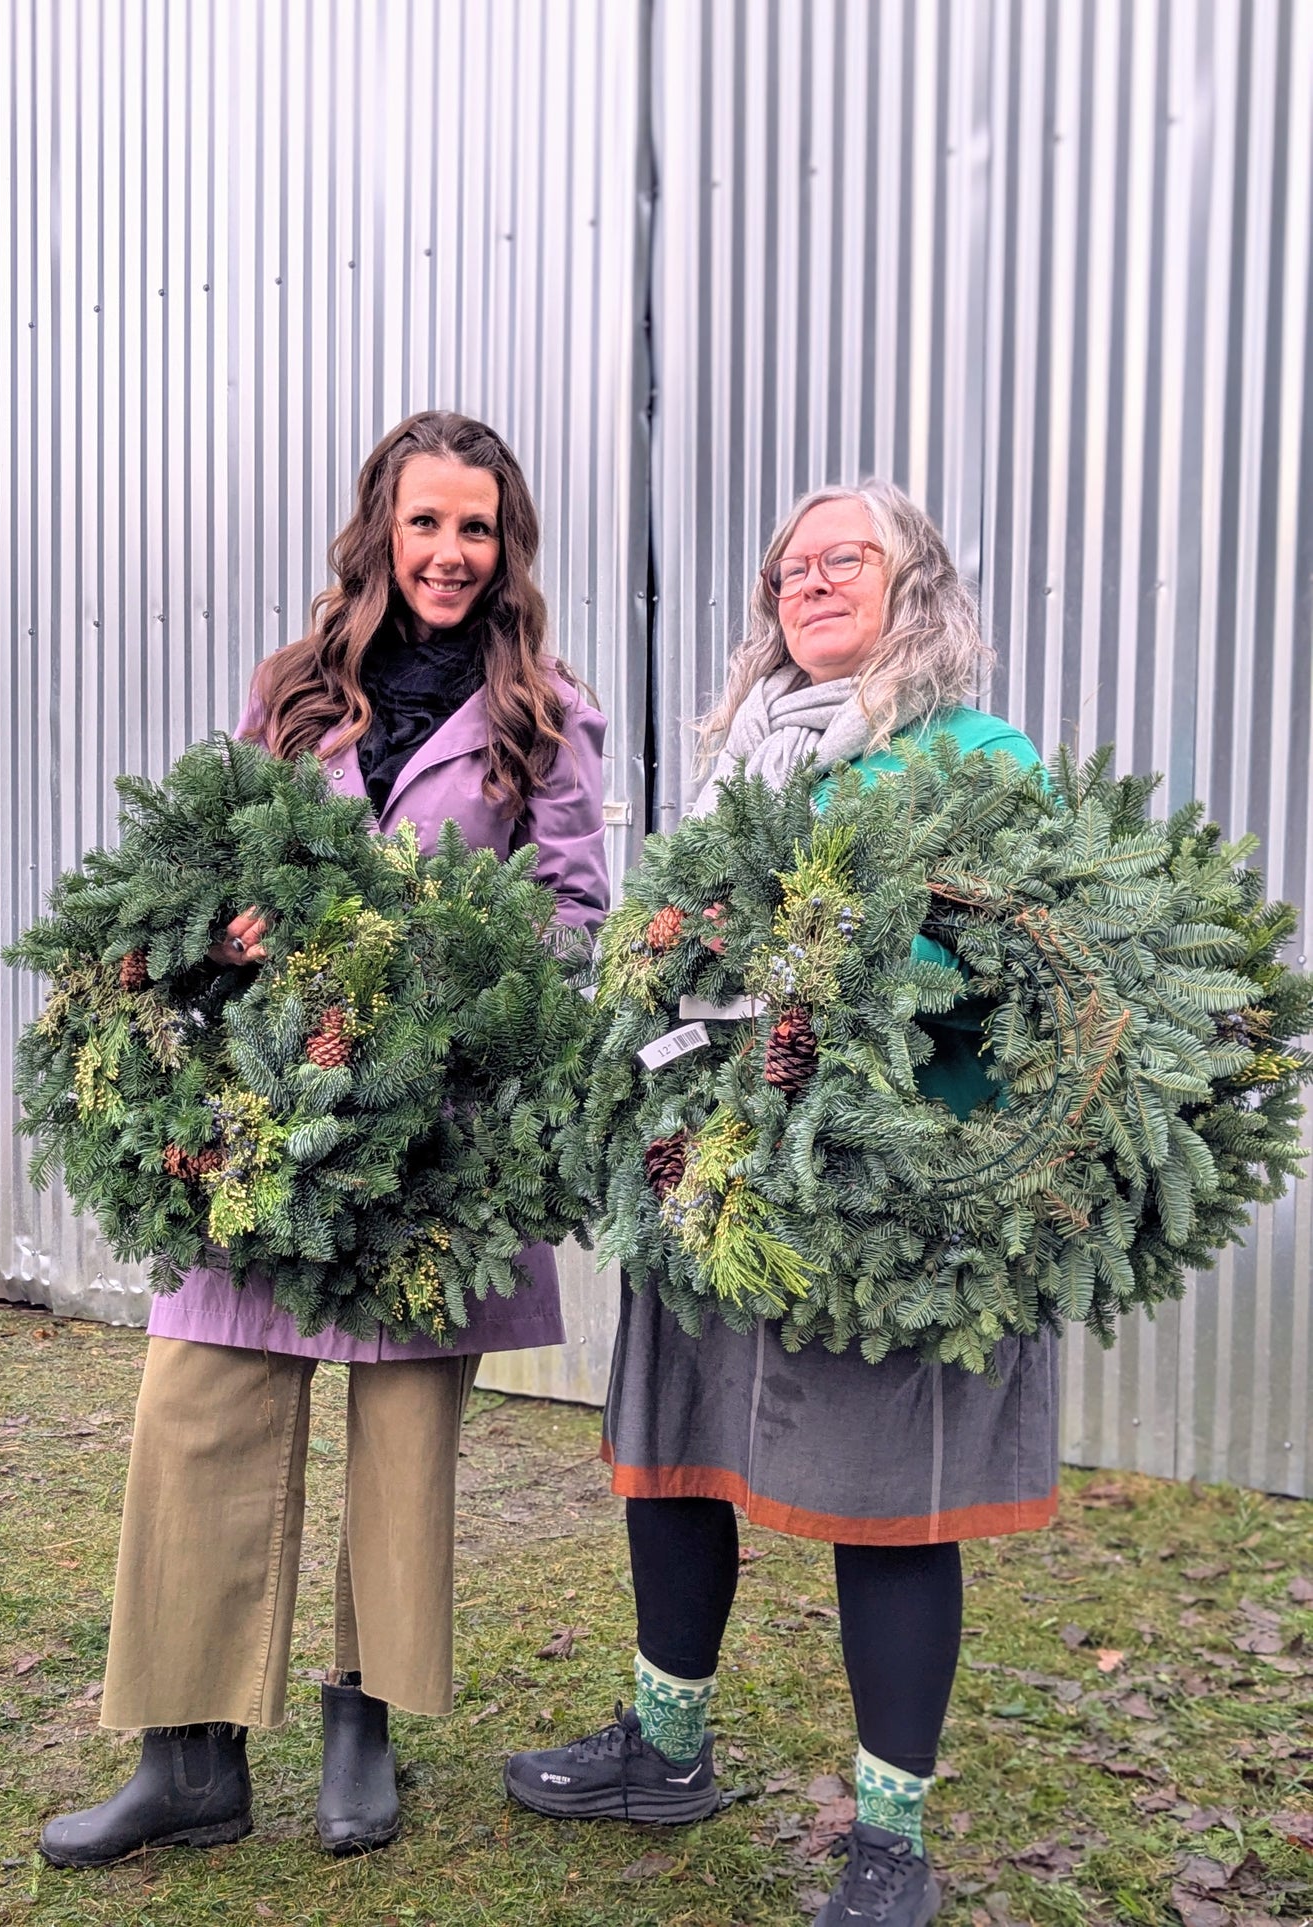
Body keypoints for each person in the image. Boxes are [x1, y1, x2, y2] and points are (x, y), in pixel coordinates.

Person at [41, 411, 609, 1869]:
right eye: (424, 523)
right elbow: (220, 858)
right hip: (261, 1125)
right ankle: (188, 1754)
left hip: (435, 1137)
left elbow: (575, 919)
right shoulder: (292, 695)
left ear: (506, 545)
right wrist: (228, 936)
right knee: (199, 1408)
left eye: (475, 527)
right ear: (378, 530)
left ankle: (363, 1718)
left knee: (404, 1435)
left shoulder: (544, 710)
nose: (448, 552)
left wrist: (457, 995)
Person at [504, 480, 1054, 1927]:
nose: (806, 585)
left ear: (912, 584)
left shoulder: (974, 757)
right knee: (673, 1457)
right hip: (717, 1171)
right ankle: (663, 1752)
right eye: (786, 570)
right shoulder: (742, 764)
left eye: (842, 560)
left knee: (890, 1511)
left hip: (889, 1195)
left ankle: (890, 1842)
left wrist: (844, 981)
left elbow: (1017, 971)